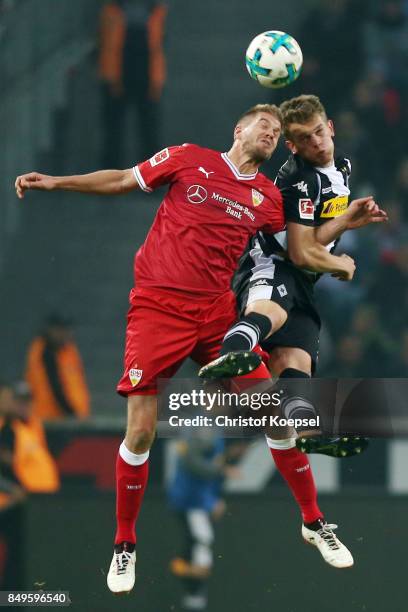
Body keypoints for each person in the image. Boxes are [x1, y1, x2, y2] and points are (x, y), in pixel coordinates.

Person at [14, 102, 383, 593]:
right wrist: (59, 182)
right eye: (264, 126)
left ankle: (314, 522)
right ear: (240, 128)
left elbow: (300, 246)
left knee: (275, 414)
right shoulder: (190, 159)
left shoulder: (267, 194)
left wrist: (346, 226)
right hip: (157, 309)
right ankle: (125, 544)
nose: (271, 135)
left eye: (277, 133)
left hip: (213, 314)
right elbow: (125, 179)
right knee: (142, 431)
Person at [199, 95, 387, 566]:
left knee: (295, 364)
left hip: (302, 282)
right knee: (270, 312)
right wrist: (340, 262)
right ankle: (235, 344)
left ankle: (304, 429)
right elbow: (302, 252)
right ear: (292, 145)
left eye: (318, 132)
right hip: (271, 264)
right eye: (302, 139)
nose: (314, 143)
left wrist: (346, 221)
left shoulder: (340, 165)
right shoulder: (295, 178)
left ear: (332, 127)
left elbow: (315, 239)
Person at [168, 429, 236, 611]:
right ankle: (193, 594)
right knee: (200, 542)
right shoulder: (200, 425)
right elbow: (191, 461)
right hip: (190, 502)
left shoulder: (219, 428)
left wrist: (213, 499)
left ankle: (195, 595)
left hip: (198, 502)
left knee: (201, 544)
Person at [98, 0, 167, 167]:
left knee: (148, 131)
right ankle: (110, 177)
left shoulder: (157, 10)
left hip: (146, 77)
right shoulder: (111, 9)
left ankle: (151, 179)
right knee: (113, 133)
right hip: (116, 76)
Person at [25, 314, 90, 420]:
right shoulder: (45, 352)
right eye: (61, 330)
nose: (65, 334)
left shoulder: (67, 351)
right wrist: (72, 413)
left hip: (68, 417)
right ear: (51, 330)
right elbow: (55, 388)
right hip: (51, 418)